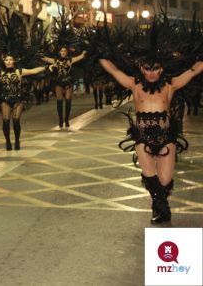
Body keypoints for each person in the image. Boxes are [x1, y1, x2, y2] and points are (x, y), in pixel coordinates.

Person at [99, 56, 203, 223]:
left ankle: (159, 205)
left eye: (155, 68)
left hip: (166, 137)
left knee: (165, 179)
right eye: (148, 68)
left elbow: (193, 71)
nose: (152, 73)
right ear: (141, 68)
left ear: (161, 69)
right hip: (143, 138)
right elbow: (114, 70)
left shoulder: (170, 85)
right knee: (149, 175)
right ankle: (163, 210)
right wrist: (98, 52)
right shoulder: (134, 84)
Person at [0, 56, 49, 150]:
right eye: (6, 60)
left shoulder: (20, 71)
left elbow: (33, 70)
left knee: (16, 121)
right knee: (5, 121)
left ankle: (17, 141)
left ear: (14, 61)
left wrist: (46, 67)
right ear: (4, 62)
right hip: (5, 99)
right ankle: (8, 141)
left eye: (10, 60)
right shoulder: (0, 73)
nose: (8, 62)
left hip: (18, 99)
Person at [42, 48, 86, 128]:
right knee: (59, 101)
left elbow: (80, 57)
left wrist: (83, 52)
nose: (63, 52)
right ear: (59, 52)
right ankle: (60, 120)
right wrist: (39, 54)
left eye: (65, 51)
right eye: (61, 51)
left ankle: (66, 119)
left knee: (68, 100)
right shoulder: (55, 60)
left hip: (68, 82)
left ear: (66, 52)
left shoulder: (70, 60)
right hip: (58, 83)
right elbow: (46, 59)